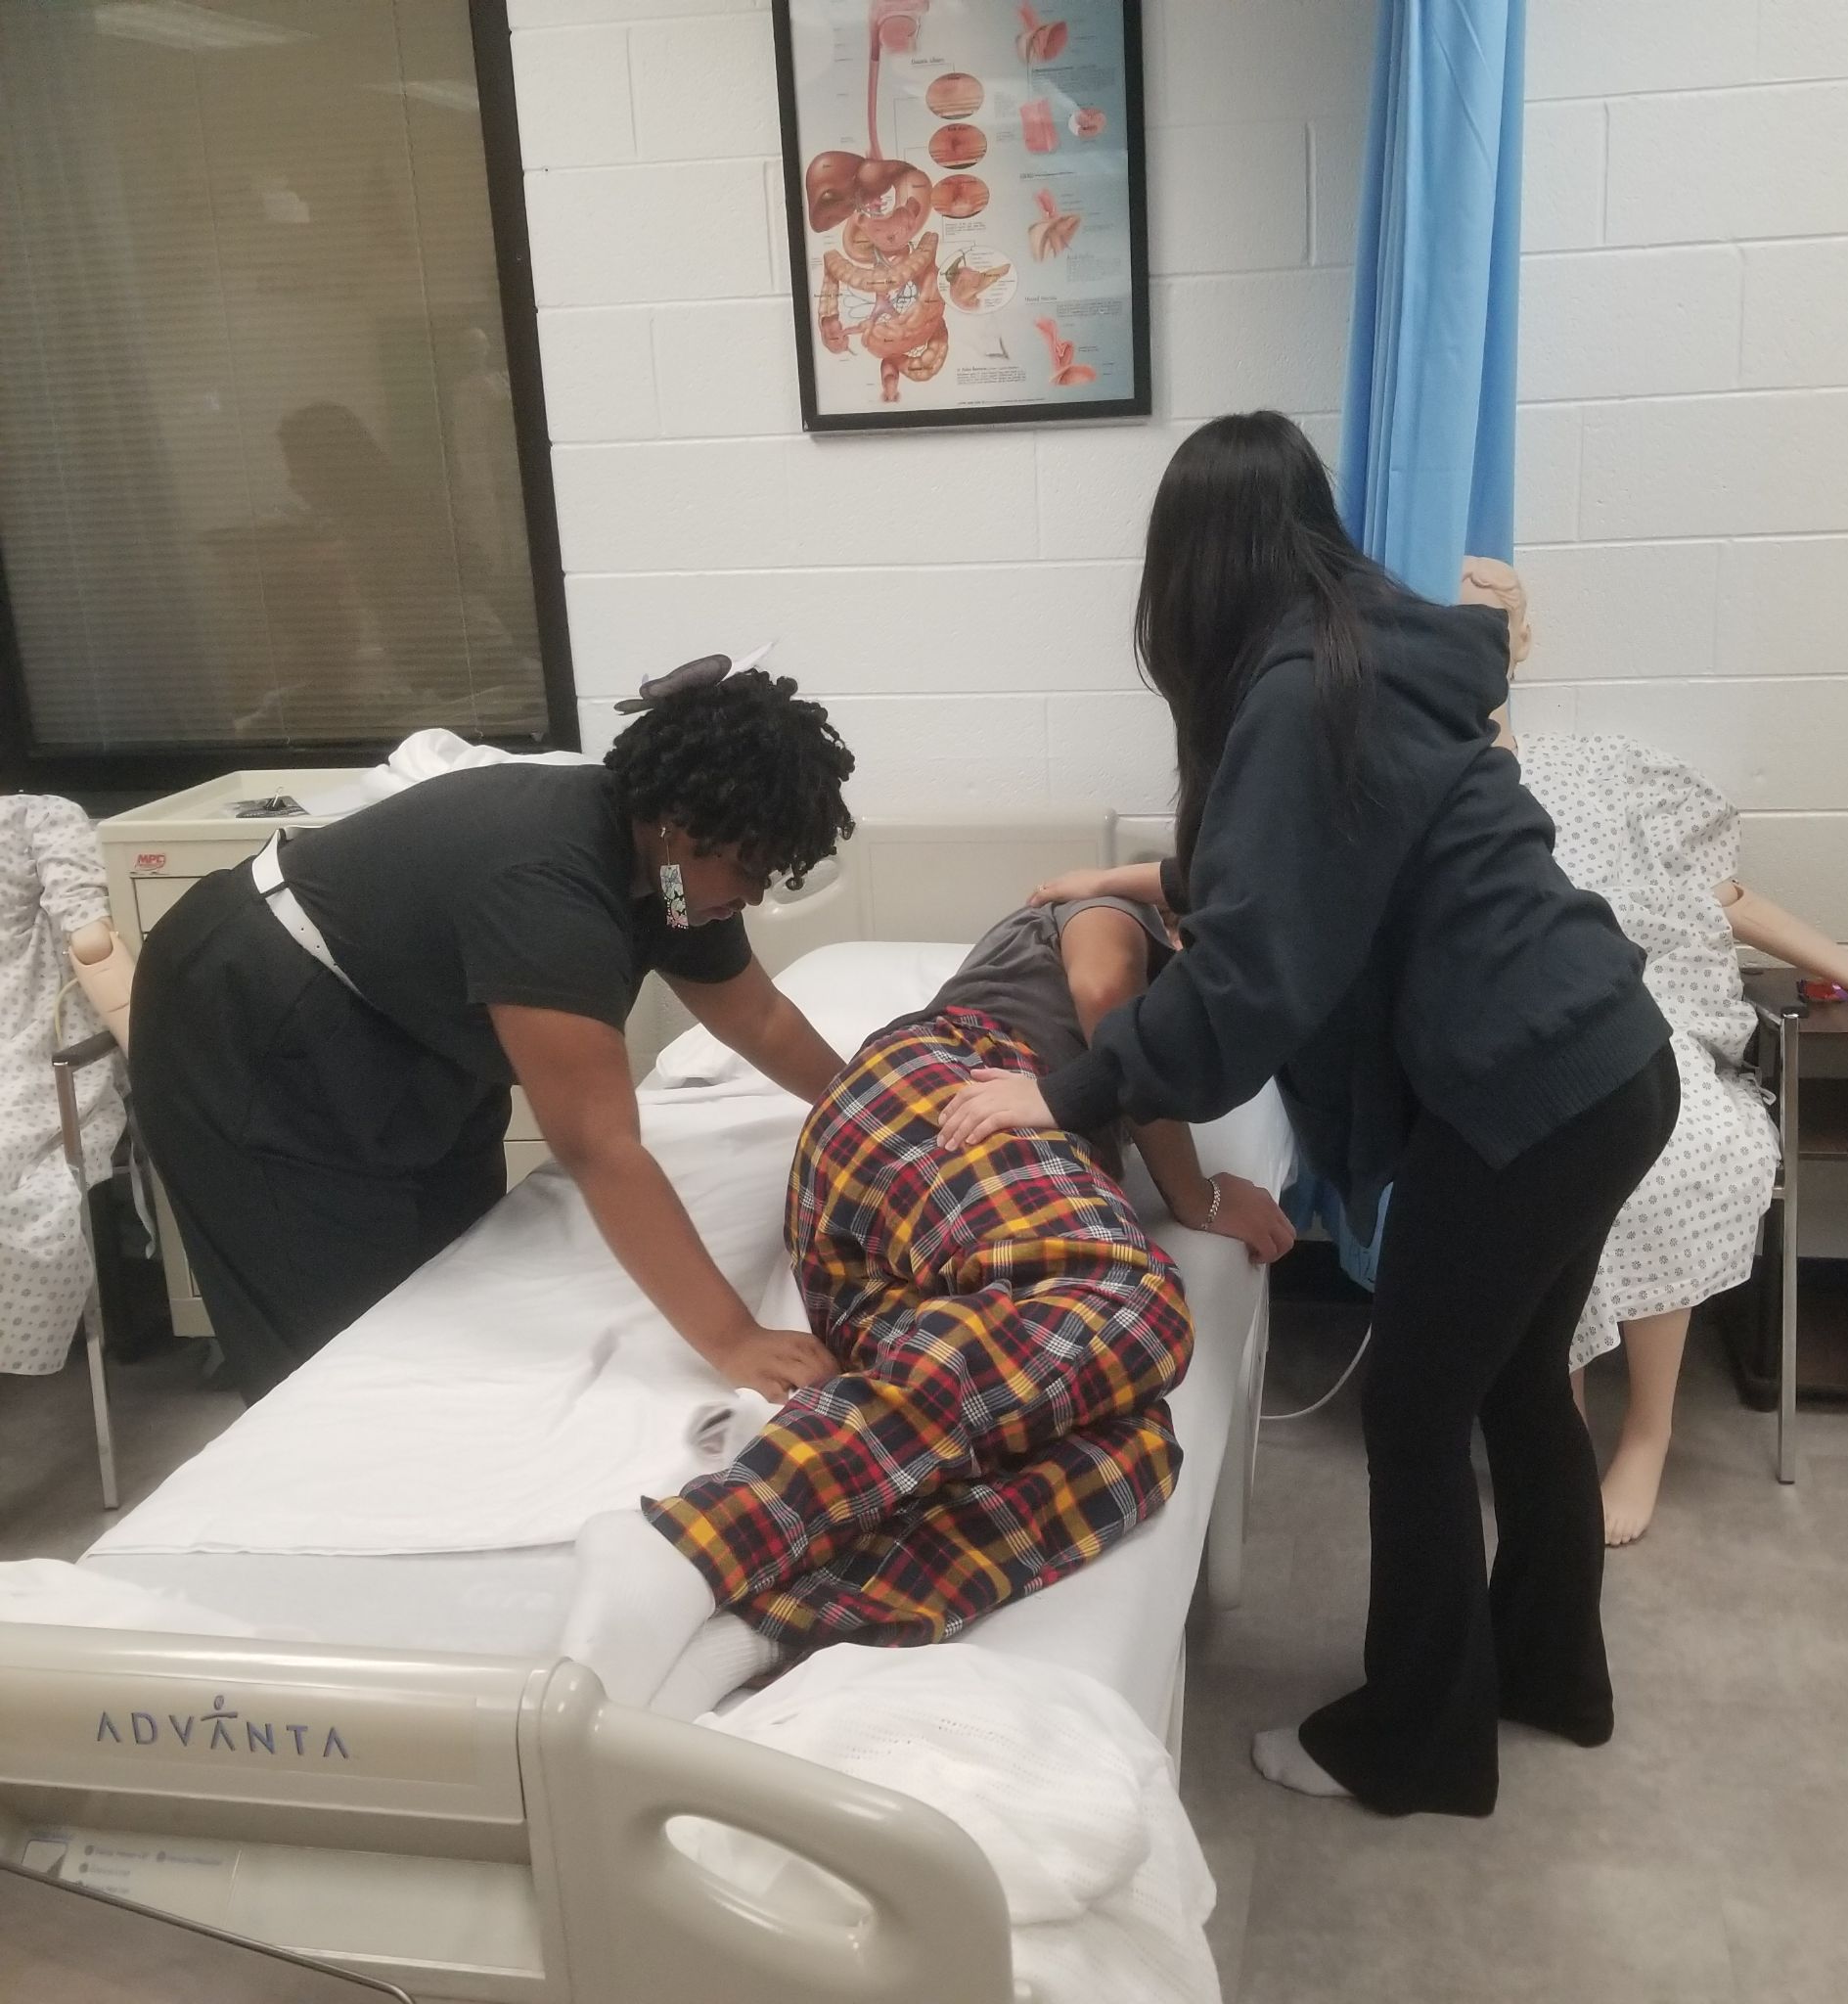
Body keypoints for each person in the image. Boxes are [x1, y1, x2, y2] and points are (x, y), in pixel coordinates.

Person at [939, 411, 1679, 1819]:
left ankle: (1414, 1745)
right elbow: (1339, 855)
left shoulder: (1293, 690)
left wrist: (1060, 1091)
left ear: (1194, 566)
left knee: (1414, 1405)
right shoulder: (1370, 644)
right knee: (1517, 1387)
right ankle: (1546, 1676)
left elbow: (1254, 981)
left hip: (1523, 1088)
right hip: (1608, 1060)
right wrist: (1157, 881)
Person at [561, 889, 1295, 1715]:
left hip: (904, 1237)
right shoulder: (1105, 914)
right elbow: (1103, 999)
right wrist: (1193, 1196)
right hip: (948, 1093)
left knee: (1132, 1450)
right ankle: (687, 1546)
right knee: (1126, 1301)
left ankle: (753, 1631)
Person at [129, 660, 856, 1403]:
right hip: (250, 1016)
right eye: (747, 869)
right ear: (680, 824)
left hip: (401, 1029)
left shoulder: (672, 879)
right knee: (337, 1348)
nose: (752, 895)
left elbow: (761, 1020)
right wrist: (734, 1340)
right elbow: (599, 1145)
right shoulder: (547, 881)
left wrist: (873, 1112)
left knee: (451, 1278)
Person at [1470, 558, 1848, 1545]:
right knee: (1533, 1163)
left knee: (1676, 1146)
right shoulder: (1418, 787)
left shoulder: (1603, 771)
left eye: (1491, 626)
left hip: (1639, 1017)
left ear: (1520, 645)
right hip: (1502, 1034)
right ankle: (1554, 1423)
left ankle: (1646, 1432)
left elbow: (1723, 898)